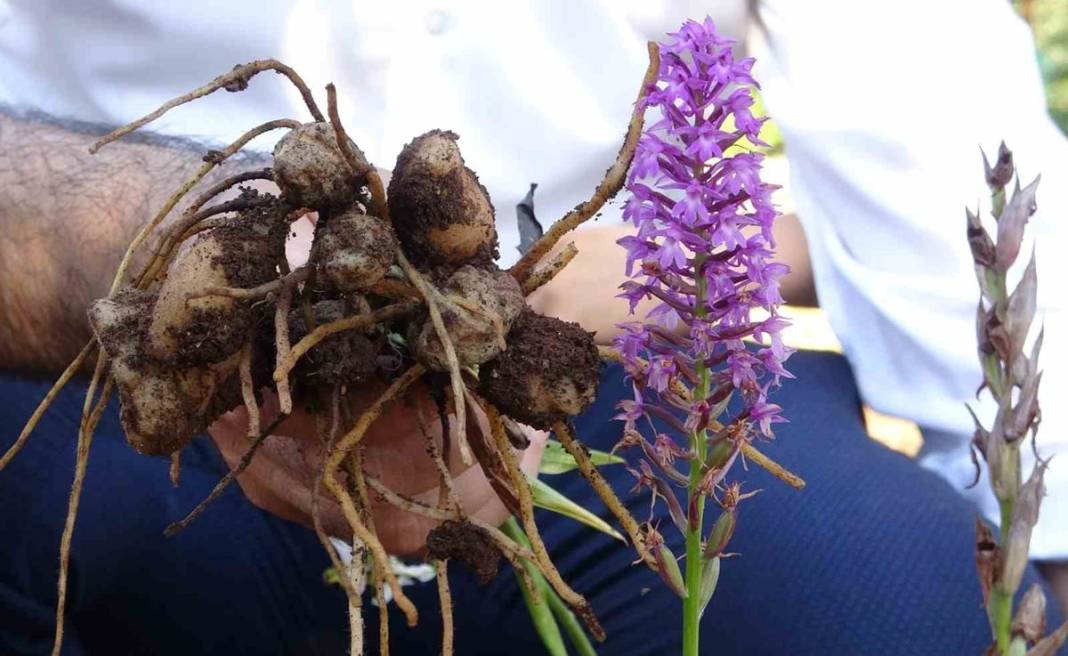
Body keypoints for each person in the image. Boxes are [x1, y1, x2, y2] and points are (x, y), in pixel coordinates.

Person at [0, 1, 1064, 654]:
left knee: (894, 595)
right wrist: (104, 235)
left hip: (601, 365)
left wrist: (1043, 534)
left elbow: (926, 88)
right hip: (111, 346)